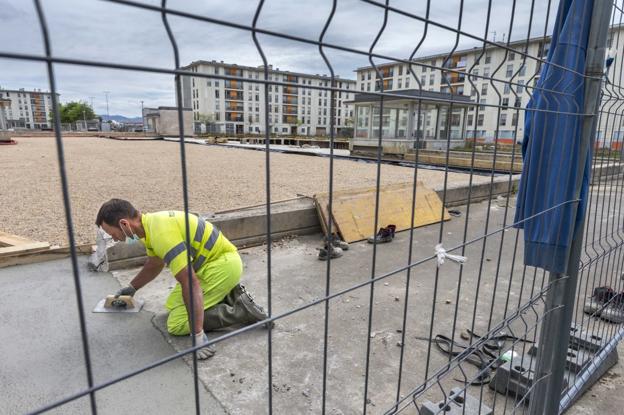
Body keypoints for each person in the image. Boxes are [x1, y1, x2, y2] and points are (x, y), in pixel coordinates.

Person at [95, 198, 270, 359]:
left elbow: (189, 282)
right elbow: (155, 264)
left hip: (222, 267)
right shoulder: (152, 225)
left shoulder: (161, 234)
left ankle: (241, 311)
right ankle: (231, 294)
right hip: (217, 265)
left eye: (113, 234)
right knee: (172, 304)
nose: (115, 239)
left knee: (177, 324)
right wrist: (132, 288)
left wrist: (198, 336)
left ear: (124, 224)